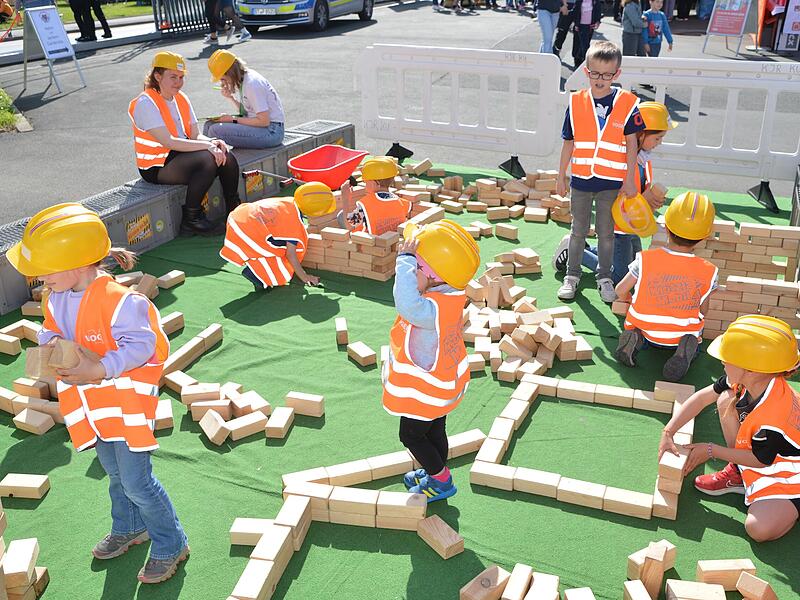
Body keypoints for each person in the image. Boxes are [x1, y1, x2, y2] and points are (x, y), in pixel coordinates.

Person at [6, 203, 189, 584]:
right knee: (114, 472)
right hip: (97, 407)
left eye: (45, 269)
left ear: (76, 264)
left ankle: (172, 542)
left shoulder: (121, 301)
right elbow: (50, 328)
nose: (38, 278)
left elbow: (142, 346)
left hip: (127, 406)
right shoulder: (56, 296)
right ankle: (130, 525)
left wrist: (99, 369)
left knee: (137, 481)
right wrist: (50, 341)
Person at [659, 315, 800, 542]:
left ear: (752, 370)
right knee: (725, 399)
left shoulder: (775, 416)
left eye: (728, 358)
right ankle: (739, 472)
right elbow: (701, 398)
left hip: (788, 471)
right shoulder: (750, 380)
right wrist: (668, 431)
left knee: (758, 529)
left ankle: (789, 505)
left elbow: (760, 460)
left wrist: (711, 450)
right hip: (764, 455)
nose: (722, 362)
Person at [383, 220, 480, 503]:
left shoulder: (428, 310)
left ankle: (441, 480)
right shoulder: (449, 295)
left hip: (423, 395)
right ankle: (436, 469)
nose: (409, 271)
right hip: (441, 389)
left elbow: (406, 302)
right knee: (436, 431)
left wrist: (404, 260)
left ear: (433, 276)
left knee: (411, 437)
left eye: (415, 266)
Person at [556, 41, 644, 302]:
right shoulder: (576, 102)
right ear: (586, 71)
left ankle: (604, 277)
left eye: (607, 74)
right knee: (578, 230)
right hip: (581, 181)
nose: (600, 79)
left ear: (617, 74)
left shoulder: (627, 103)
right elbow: (568, 142)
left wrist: (629, 180)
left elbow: (632, 145)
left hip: (611, 183)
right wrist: (561, 175)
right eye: (595, 73)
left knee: (607, 234)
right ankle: (572, 276)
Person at [553, 101, 675, 285]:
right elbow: (617, 201)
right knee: (620, 277)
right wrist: (644, 199)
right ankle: (574, 252)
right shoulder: (621, 161)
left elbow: (642, 188)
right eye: (657, 138)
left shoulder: (643, 158)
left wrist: (651, 199)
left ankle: (585, 248)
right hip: (617, 227)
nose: (660, 143)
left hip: (631, 225)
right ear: (640, 134)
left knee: (634, 264)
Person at [128, 52, 241, 236]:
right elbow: (169, 141)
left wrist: (212, 142)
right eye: (173, 77)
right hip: (156, 166)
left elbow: (195, 135)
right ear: (157, 76)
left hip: (180, 155)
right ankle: (191, 219)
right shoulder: (145, 102)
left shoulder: (181, 98)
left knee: (225, 153)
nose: (178, 82)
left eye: (181, 77)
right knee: (207, 159)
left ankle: (234, 210)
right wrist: (208, 147)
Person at [614, 191, 718, 381]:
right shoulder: (709, 271)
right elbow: (704, 310)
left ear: (667, 228)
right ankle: (685, 350)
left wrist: (627, 299)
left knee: (640, 328)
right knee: (694, 338)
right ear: (704, 237)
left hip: (646, 328)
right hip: (680, 334)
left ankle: (636, 338)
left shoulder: (645, 259)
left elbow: (620, 289)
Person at [220, 182, 330, 290]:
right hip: (247, 228)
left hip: (240, 216)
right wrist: (305, 277)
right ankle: (256, 275)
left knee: (274, 243)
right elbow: (290, 254)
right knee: (279, 252)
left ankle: (255, 268)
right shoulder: (294, 221)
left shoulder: (289, 202)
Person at [204, 50, 284, 149]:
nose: (222, 82)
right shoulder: (245, 79)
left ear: (230, 72)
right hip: (265, 128)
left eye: (222, 78)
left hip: (272, 131)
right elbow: (247, 112)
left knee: (215, 130)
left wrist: (232, 119)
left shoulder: (252, 84)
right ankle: (206, 155)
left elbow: (264, 121)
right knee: (209, 125)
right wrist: (231, 98)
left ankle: (213, 157)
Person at [339, 157, 411, 236]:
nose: (365, 187)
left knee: (341, 216)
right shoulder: (401, 202)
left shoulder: (366, 204)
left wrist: (345, 198)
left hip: (373, 242)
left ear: (374, 183)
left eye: (366, 182)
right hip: (392, 240)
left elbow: (349, 225)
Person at [571, 0, 602, 68]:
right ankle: (586, 63)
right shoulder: (579, 1)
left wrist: (598, 22)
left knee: (584, 44)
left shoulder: (596, 1)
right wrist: (576, 24)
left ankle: (579, 58)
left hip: (590, 26)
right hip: (581, 26)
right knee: (585, 45)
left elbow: (598, 10)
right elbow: (575, 11)